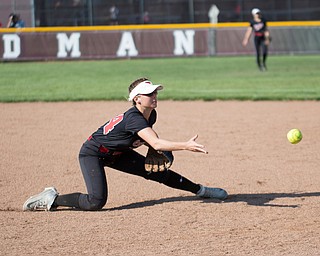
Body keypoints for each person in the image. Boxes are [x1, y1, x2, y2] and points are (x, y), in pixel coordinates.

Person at [23, 78, 228, 212]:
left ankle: (202, 190)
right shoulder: (134, 118)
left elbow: (151, 140)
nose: (154, 96)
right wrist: (185, 145)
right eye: (150, 94)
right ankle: (53, 198)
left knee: (159, 173)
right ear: (137, 99)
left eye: (155, 92)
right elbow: (156, 141)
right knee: (95, 202)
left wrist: (153, 149)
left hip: (118, 154)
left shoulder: (150, 113)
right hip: (93, 154)